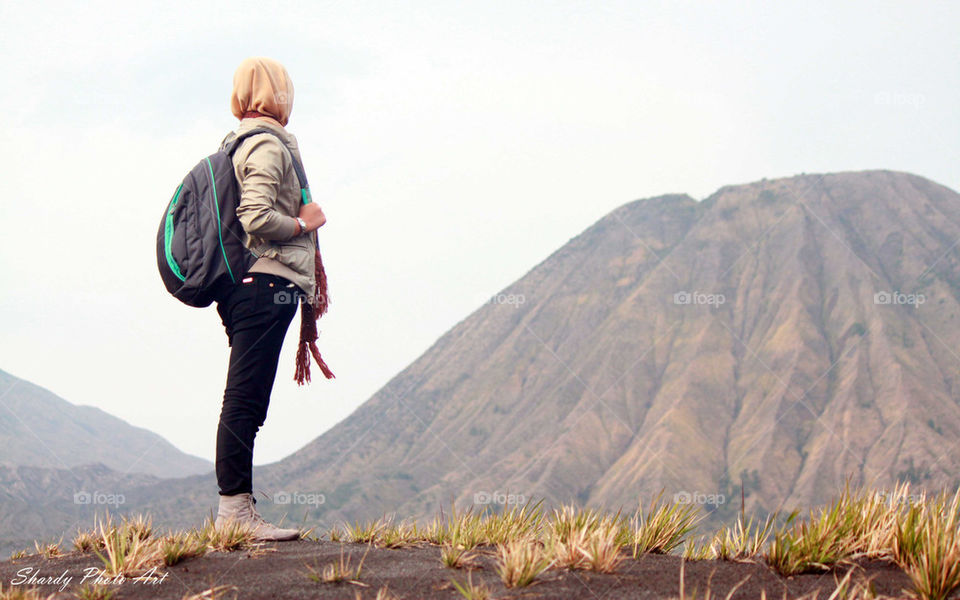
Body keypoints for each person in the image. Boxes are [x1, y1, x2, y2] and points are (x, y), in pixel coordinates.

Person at [212, 57, 327, 541]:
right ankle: (234, 516)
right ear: (278, 94)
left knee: (248, 399)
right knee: (245, 400)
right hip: (265, 285)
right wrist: (303, 223)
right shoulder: (266, 145)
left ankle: (236, 512)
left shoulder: (237, 144)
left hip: (247, 285)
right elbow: (256, 215)